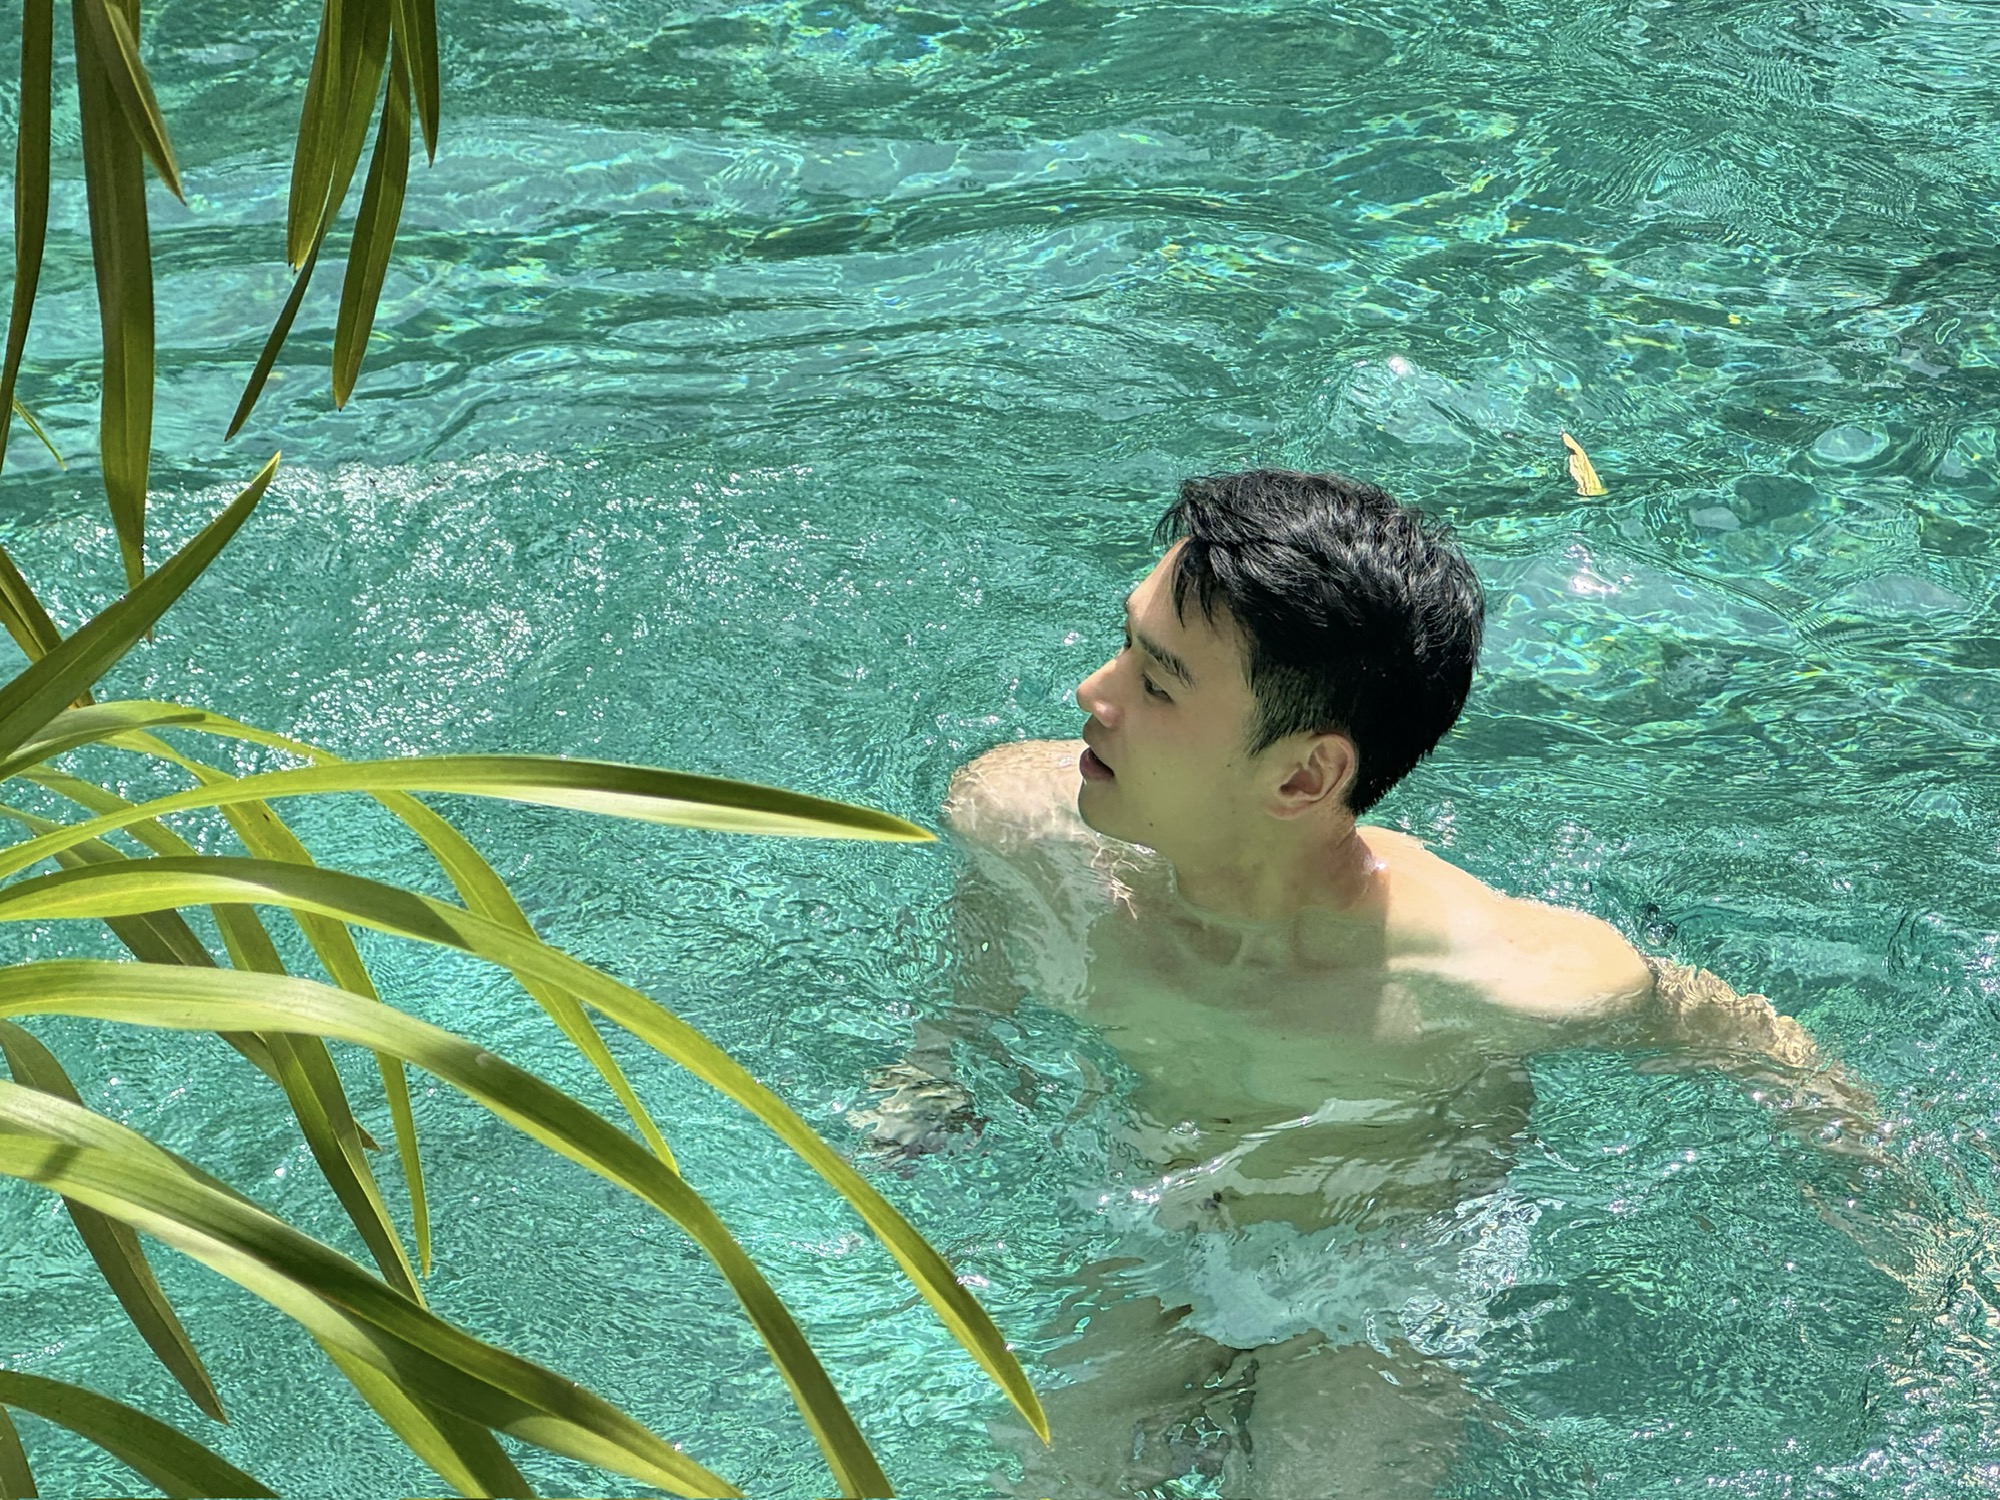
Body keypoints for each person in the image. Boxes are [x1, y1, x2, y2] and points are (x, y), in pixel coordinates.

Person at [859, 468, 1871, 1496]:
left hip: (1377, 1282)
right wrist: (939, 1057)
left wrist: (1910, 1234)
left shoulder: (1492, 975)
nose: (1094, 692)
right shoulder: (1019, 823)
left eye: (1156, 684)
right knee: (1048, 1479)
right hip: (1165, 1234)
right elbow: (991, 928)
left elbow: (1751, 1042)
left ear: (1304, 776)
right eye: (1126, 642)